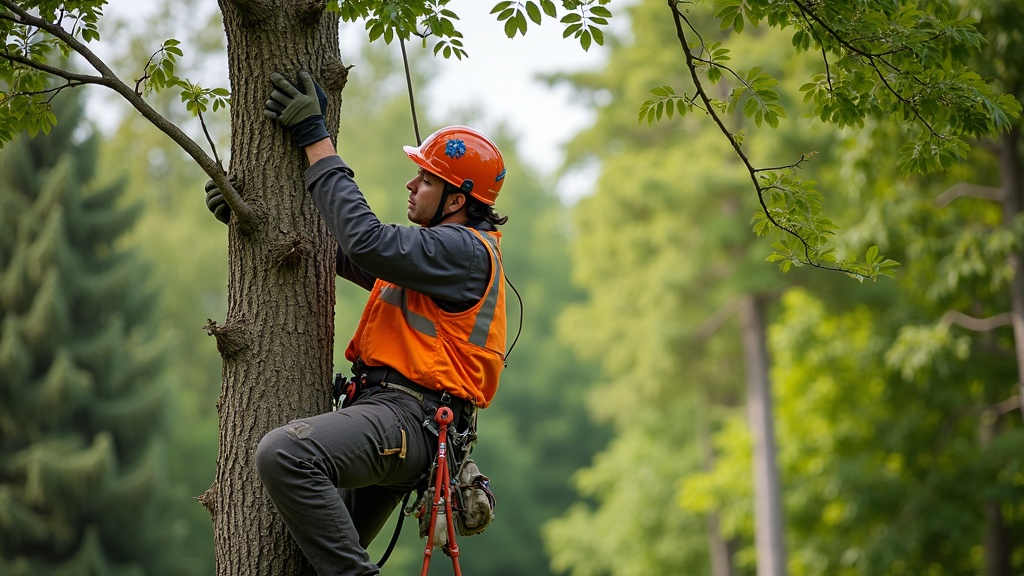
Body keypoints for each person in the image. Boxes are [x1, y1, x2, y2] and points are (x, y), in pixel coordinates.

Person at [206, 70, 509, 576]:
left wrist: (314, 137)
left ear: (457, 200)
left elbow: (365, 241)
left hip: (410, 420)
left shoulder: (461, 252)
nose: (412, 184)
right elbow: (342, 253)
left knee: (285, 455)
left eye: (427, 179)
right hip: (398, 420)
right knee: (304, 559)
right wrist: (250, 222)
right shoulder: (436, 260)